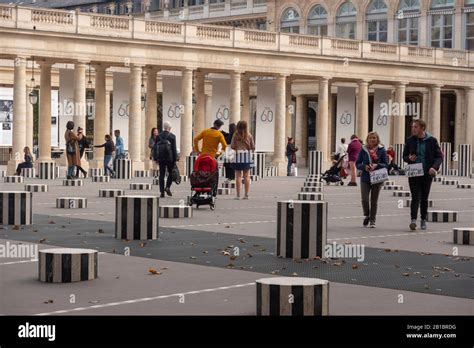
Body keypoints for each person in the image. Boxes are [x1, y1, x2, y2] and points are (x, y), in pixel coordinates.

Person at [403, 119, 443, 231]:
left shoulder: (432, 140)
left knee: (424, 198)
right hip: (414, 171)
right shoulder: (410, 140)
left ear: (422, 128)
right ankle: (413, 220)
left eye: (416, 127)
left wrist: (434, 167)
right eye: (412, 127)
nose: (413, 129)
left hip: (427, 172)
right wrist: (409, 158)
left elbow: (439, 156)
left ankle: (423, 219)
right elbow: (404, 156)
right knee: (415, 197)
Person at [356, 132, 388, 228]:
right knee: (364, 199)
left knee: (374, 200)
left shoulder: (382, 149)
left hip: (377, 177)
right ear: (367, 139)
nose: (372, 139)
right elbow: (357, 163)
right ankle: (367, 215)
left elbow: (386, 164)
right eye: (370, 138)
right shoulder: (363, 149)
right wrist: (364, 167)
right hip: (365, 177)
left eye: (374, 138)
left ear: (377, 139)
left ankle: (373, 220)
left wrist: (377, 165)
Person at [231, 121, 255, 200]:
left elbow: (232, 146)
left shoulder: (235, 135)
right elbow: (253, 147)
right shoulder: (249, 135)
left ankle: (238, 195)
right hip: (246, 155)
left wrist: (237, 148)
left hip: (238, 155)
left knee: (238, 176)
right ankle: (246, 195)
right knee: (247, 176)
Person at [155, 121, 178, 198]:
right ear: (170, 128)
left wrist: (156, 158)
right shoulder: (172, 136)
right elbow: (174, 149)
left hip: (161, 159)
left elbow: (155, 148)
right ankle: (167, 187)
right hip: (170, 159)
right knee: (171, 173)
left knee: (161, 175)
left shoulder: (158, 136)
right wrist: (175, 159)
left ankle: (162, 192)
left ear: (163, 128)